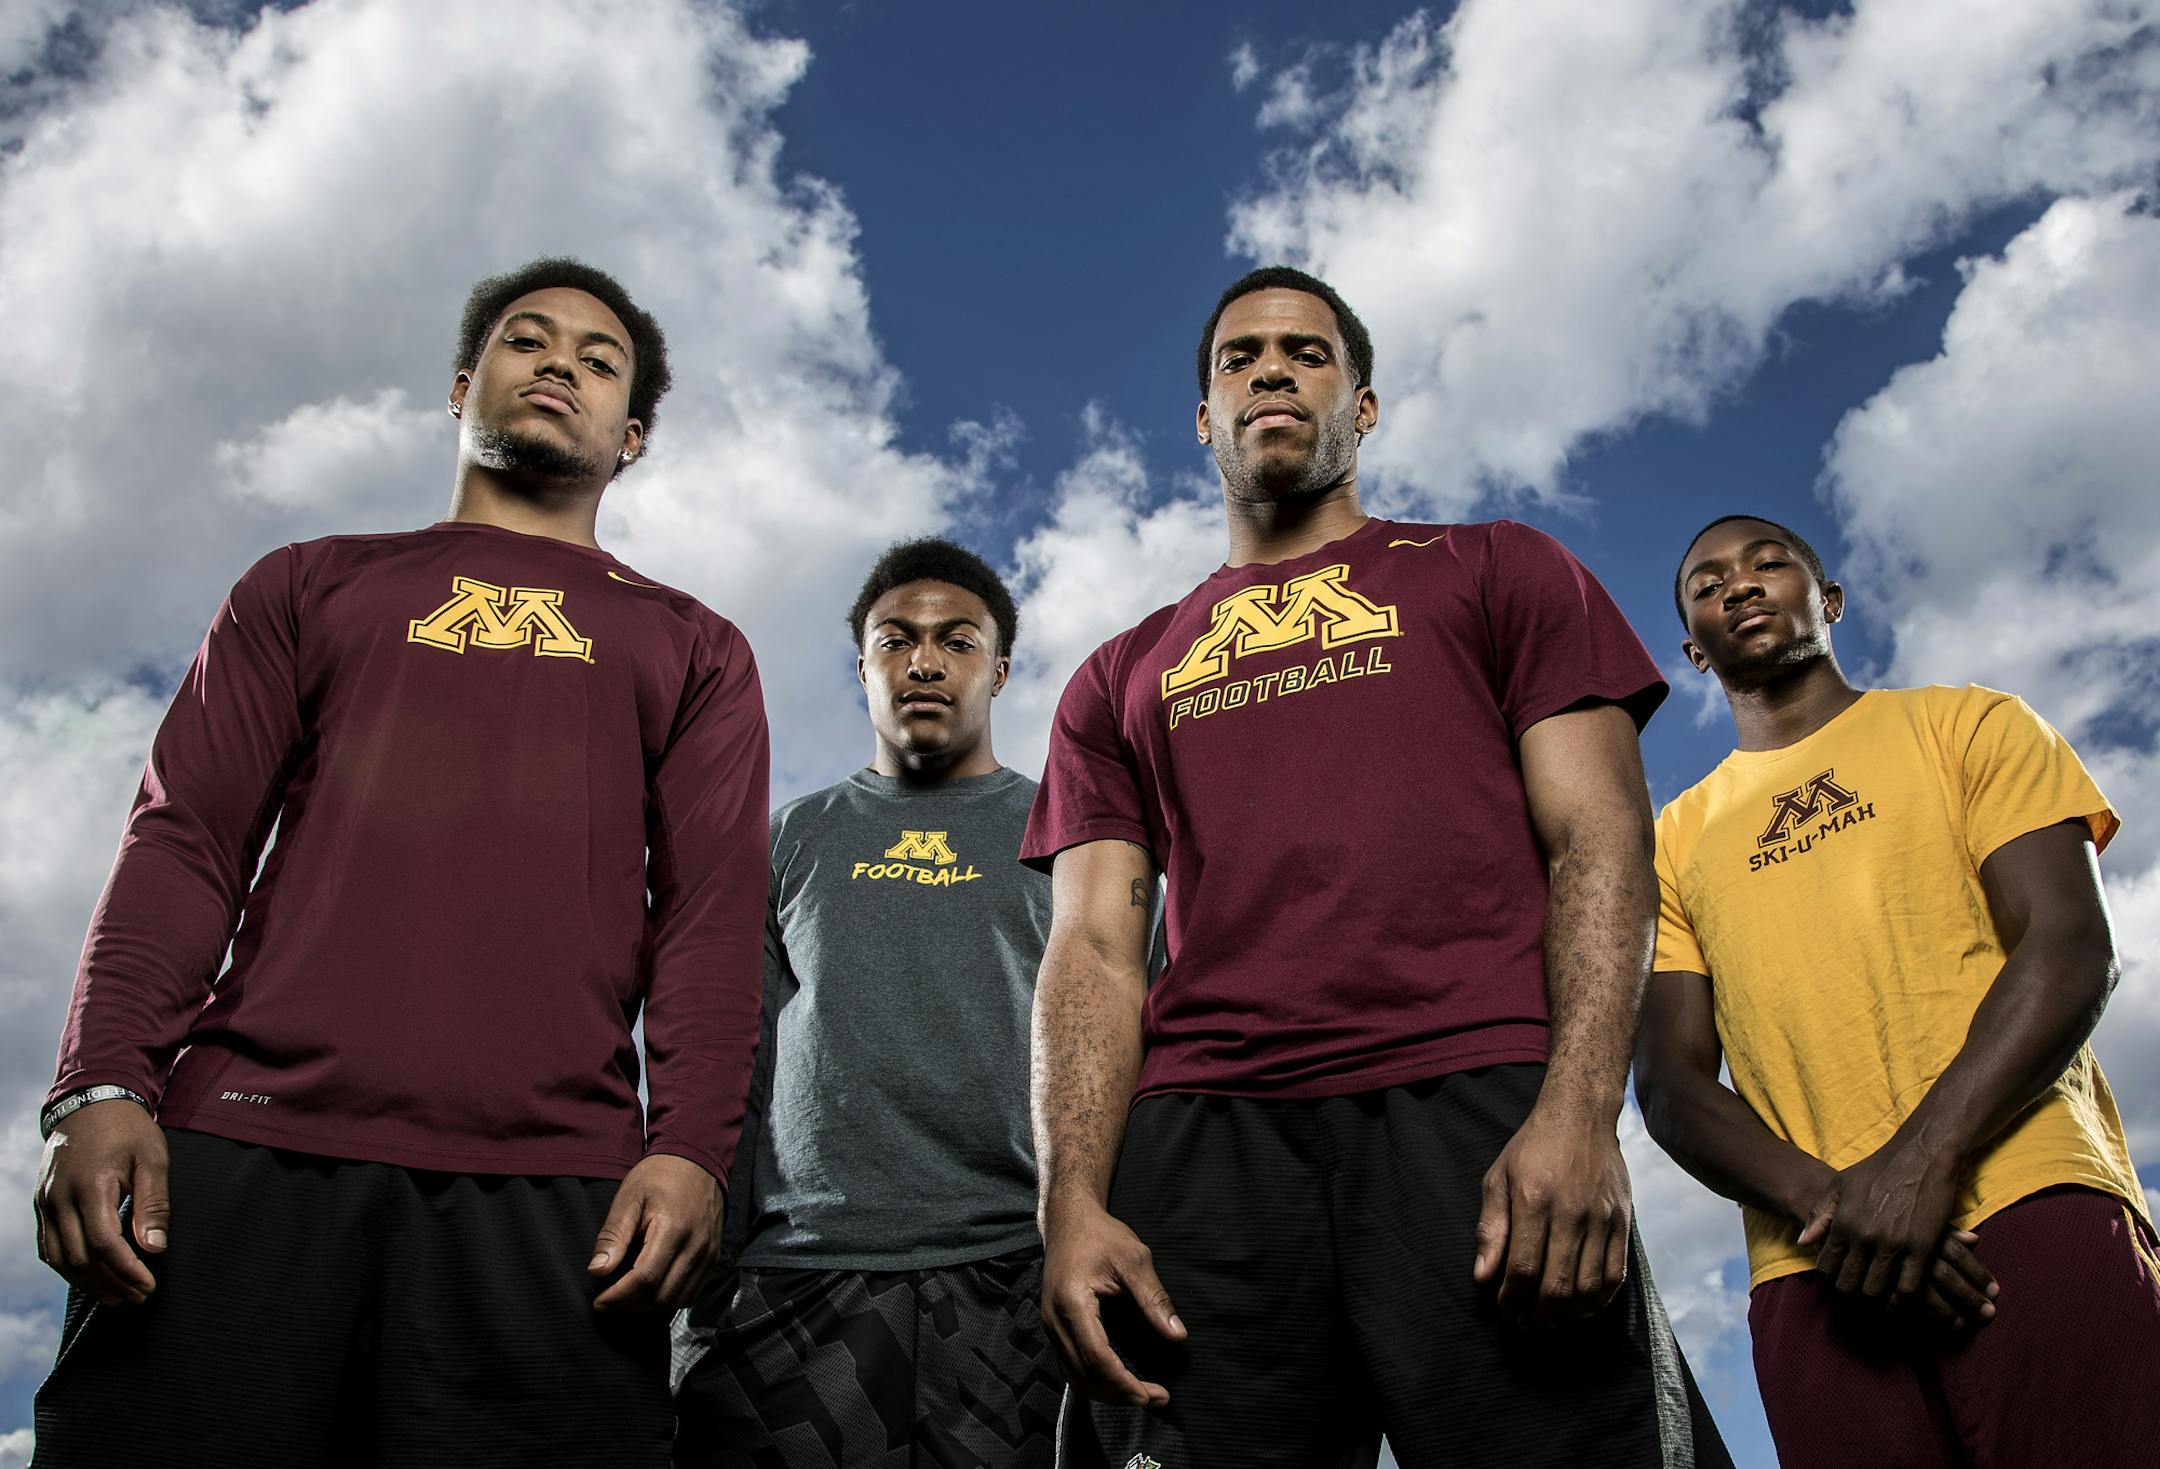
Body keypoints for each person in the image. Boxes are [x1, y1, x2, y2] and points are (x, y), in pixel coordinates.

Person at [31, 258, 769, 1468]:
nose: (558, 367)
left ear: (630, 436)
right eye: (528, 343)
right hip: (243, 1153)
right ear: (462, 384)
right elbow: (185, 836)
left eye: (597, 361)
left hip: (552, 1194)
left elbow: (709, 915)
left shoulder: (696, 647)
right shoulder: (308, 582)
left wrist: (689, 1146)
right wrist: (101, 1081)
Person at [1023, 265, 1728, 1468]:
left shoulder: (1498, 569)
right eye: (1239, 359)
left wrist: (1577, 1110)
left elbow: (1600, 839)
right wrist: (1071, 1202)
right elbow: (1091, 947)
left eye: (1306, 353)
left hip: (1473, 1106)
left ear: (1364, 403)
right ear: (1205, 418)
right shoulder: (1118, 673)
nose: (1271, 372)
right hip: (1208, 1140)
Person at [1635, 513, 2157, 1466]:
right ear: (1693, 653)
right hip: (1813, 1263)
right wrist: (1834, 1207)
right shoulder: (1671, 841)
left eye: (1769, 564)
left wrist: (1921, 1163)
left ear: (1827, 600)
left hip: (2025, 1197)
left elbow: (2069, 946)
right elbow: (1668, 1081)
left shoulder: (1969, 723)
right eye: (1707, 585)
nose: (1739, 586)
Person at [673, 538, 1071, 1468]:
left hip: (1016, 1272)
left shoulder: (1072, 836)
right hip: (799, 1277)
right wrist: (710, 1283)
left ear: (1000, 669)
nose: (924, 660)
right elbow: (737, 1055)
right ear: (862, 667)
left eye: (957, 640)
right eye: (895, 639)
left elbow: (1133, 1048)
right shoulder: (790, 838)